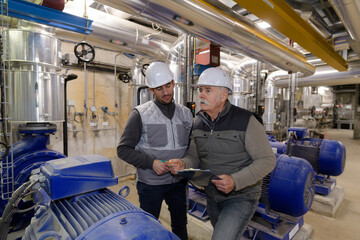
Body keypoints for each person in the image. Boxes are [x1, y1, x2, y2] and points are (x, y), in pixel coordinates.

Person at [168, 67, 276, 240]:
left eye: (208, 90)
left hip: (242, 196)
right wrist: (183, 164)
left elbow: (268, 160)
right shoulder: (198, 122)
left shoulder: (246, 121)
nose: (201, 95)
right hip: (212, 195)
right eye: (200, 90)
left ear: (224, 95)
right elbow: (194, 157)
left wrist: (235, 180)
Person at [117, 61, 193, 240]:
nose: (166, 92)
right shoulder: (140, 114)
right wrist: (151, 163)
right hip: (151, 184)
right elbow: (123, 149)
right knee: (148, 228)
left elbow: (192, 149)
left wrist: (185, 164)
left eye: (168, 85)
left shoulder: (186, 114)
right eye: (159, 88)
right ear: (151, 90)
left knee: (180, 225)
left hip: (179, 182)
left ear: (174, 83)